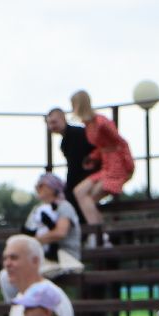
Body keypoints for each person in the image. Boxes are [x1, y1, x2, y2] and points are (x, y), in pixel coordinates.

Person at [68, 90, 134, 247]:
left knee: (89, 197)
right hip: (106, 165)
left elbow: (120, 142)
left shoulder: (101, 122)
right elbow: (102, 147)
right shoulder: (89, 125)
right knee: (80, 192)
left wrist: (127, 166)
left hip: (116, 165)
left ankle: (98, 235)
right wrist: (93, 157)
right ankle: (100, 235)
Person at [24, 172, 83, 275]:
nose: (37, 188)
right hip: (40, 256)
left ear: (53, 188)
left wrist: (32, 241)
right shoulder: (36, 209)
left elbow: (60, 233)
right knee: (6, 276)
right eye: (37, 185)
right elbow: (28, 232)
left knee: (34, 273)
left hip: (64, 257)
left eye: (41, 185)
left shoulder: (64, 206)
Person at [46, 107, 96, 203]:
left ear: (63, 118)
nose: (51, 126)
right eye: (49, 123)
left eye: (54, 122)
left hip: (92, 171)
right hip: (86, 172)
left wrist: (67, 189)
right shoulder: (66, 140)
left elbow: (74, 167)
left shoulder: (74, 135)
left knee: (71, 196)